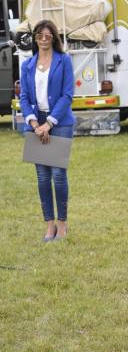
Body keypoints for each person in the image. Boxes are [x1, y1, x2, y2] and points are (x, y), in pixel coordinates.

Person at [20, 20, 75, 241]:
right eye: (40, 34)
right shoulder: (27, 65)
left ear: (54, 37)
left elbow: (67, 95)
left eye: (48, 34)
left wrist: (49, 123)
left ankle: (62, 225)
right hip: (35, 124)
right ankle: (49, 226)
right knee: (42, 177)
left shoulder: (64, 61)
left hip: (59, 123)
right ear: (35, 38)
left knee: (58, 175)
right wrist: (34, 123)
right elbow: (23, 97)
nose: (44, 38)